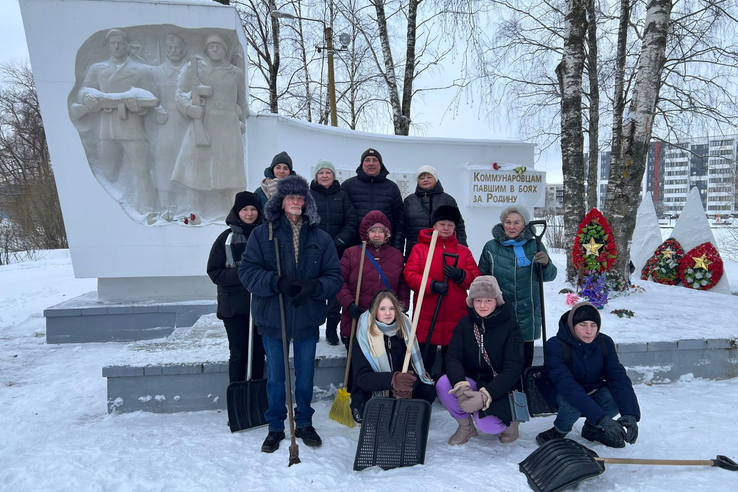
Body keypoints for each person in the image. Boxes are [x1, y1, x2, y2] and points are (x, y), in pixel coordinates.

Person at [238, 175, 343, 453]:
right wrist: (276, 282)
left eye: (300, 198)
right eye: (290, 198)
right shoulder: (264, 234)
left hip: (306, 316)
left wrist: (314, 287)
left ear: (306, 203)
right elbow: (247, 273)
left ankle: (305, 422)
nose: (296, 202)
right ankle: (275, 426)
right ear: (281, 202)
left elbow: (335, 276)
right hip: (273, 317)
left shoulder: (321, 237)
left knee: (306, 375)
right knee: (276, 376)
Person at [535, 302, 641, 448]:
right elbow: (567, 386)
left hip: (592, 386)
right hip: (559, 390)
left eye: (593, 325)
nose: (589, 331)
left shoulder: (604, 342)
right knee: (572, 404)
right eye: (582, 325)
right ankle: (559, 431)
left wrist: (630, 414)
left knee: (615, 399)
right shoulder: (555, 345)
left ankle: (592, 430)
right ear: (572, 325)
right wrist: (602, 419)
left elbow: (618, 378)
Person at [337, 211, 410, 421]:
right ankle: (358, 401)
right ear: (365, 233)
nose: (377, 234)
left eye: (381, 231)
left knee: (384, 360)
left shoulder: (396, 256)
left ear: (388, 234)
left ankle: (384, 400)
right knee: (358, 364)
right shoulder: (352, 253)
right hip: (357, 318)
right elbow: (339, 282)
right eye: (373, 231)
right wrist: (348, 303)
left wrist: (402, 305)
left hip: (386, 320)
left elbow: (403, 285)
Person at [79, 29, 157, 219]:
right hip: (107, 128)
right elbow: (84, 90)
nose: (116, 46)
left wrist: (137, 108)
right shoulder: (97, 69)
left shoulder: (141, 70)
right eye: (113, 43)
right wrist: (88, 99)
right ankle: (113, 210)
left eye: (120, 43)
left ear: (127, 45)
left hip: (132, 128)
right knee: (108, 172)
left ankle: (147, 209)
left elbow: (151, 98)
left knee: (141, 171)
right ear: (108, 46)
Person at [437, 276, 525, 445]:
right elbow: (453, 356)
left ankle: (512, 423)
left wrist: (487, 395)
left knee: (489, 425)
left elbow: (513, 368)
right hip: (473, 380)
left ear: (497, 301)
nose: (482, 305)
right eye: (478, 300)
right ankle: (466, 427)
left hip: (499, 386)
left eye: (488, 300)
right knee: (443, 384)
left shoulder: (510, 327)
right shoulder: (464, 324)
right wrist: (460, 384)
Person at [173, 33, 247, 220]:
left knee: (231, 168)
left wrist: (242, 123)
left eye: (219, 46)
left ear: (225, 50)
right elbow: (180, 94)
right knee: (196, 165)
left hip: (228, 124)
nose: (215, 50)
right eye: (211, 47)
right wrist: (189, 109)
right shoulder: (195, 68)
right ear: (206, 49)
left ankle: (232, 210)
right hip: (203, 121)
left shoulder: (235, 73)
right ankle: (194, 210)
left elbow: (242, 101)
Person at [404, 205, 480, 375]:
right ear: (434, 225)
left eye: (450, 225)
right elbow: (410, 275)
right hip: (427, 313)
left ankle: (449, 385)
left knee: (453, 356)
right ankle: (423, 382)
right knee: (425, 354)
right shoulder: (420, 249)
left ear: (455, 228)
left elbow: (476, 278)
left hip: (455, 313)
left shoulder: (463, 251)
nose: (446, 228)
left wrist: (461, 275)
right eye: (442, 224)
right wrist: (432, 285)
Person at [478, 205, 557, 369]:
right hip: (499, 311)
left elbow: (549, 276)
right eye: (508, 222)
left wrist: (546, 264)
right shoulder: (491, 247)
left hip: (527, 311)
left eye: (516, 222)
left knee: (524, 360)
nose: (511, 227)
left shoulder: (535, 246)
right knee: (499, 358)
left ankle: (523, 390)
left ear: (524, 225)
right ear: (502, 224)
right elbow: (482, 279)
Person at [207, 191, 264, 383]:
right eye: (245, 210)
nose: (249, 214)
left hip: (260, 306)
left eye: (253, 209)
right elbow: (214, 272)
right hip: (234, 307)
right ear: (237, 212)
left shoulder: (265, 236)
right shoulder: (225, 239)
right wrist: (244, 274)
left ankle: (255, 394)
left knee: (258, 353)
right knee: (239, 353)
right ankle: (238, 393)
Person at [352, 291, 436, 418]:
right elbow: (362, 377)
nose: (387, 313)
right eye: (382, 309)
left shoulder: (405, 329)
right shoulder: (364, 334)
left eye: (392, 308)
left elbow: (413, 366)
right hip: (376, 388)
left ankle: (408, 417)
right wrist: (393, 380)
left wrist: (408, 385)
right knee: (368, 410)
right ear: (375, 311)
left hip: (400, 388)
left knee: (428, 390)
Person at [309, 160, 358, 345]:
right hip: (314, 251)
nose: (324, 176)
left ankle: (331, 329)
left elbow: (351, 221)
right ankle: (312, 329)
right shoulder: (309, 195)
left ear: (333, 175)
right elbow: (305, 221)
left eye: (328, 173)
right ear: (316, 176)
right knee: (314, 289)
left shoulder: (343, 195)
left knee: (335, 290)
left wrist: (339, 242)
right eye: (321, 173)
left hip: (338, 250)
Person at [151, 33, 189, 220]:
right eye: (170, 48)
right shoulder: (156, 72)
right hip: (165, 124)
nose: (174, 51)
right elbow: (151, 96)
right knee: (164, 163)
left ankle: (185, 206)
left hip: (186, 123)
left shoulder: (191, 71)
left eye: (177, 48)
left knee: (186, 163)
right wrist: (156, 110)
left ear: (184, 50)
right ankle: (166, 206)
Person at [395, 165, 468, 258]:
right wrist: (398, 255)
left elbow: (459, 227)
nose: (425, 180)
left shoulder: (448, 200)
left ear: (436, 179)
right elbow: (400, 230)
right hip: (415, 252)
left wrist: (462, 250)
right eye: (422, 178)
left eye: (429, 177)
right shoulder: (409, 201)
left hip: (443, 251)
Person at [341, 148, 403, 244]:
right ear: (362, 164)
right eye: (367, 160)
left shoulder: (392, 187)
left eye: (375, 160)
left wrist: (394, 243)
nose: (371, 163)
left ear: (380, 164)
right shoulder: (348, 186)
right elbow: (343, 216)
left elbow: (398, 218)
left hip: (384, 245)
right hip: (355, 244)